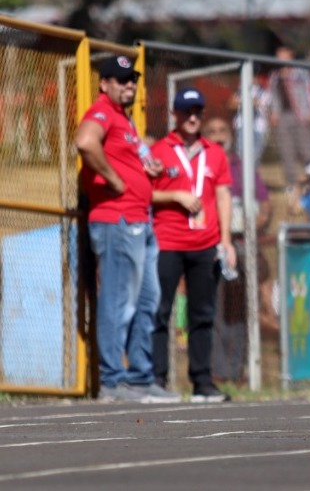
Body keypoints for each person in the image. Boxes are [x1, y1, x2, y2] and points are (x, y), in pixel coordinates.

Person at [75, 55, 179, 403]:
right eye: (121, 80)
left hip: (140, 219)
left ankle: (139, 376)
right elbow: (86, 142)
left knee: (148, 299)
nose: (129, 85)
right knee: (119, 301)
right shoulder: (102, 111)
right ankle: (112, 382)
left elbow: (121, 154)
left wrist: (143, 169)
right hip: (117, 220)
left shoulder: (125, 119)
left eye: (132, 79)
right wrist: (114, 178)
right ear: (104, 84)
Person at [149, 89, 236, 403]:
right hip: (168, 241)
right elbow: (144, 193)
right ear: (175, 114)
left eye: (197, 111)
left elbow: (224, 196)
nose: (193, 117)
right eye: (186, 111)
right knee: (160, 311)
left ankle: (201, 381)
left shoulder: (215, 153)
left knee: (203, 313)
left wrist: (226, 240)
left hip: (205, 242)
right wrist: (176, 196)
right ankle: (156, 378)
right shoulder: (159, 150)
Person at [201, 116, 273, 384]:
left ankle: (236, 369)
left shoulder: (243, 169)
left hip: (242, 245)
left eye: (222, 130)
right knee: (214, 309)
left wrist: (258, 219)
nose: (219, 136)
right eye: (212, 131)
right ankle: (216, 371)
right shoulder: (201, 164)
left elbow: (265, 206)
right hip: (211, 243)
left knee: (239, 311)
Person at [269, 45, 310, 211]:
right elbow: (273, 96)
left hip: (300, 115)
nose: (280, 58)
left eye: (283, 54)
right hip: (284, 117)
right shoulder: (275, 76)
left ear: (291, 54)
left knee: (307, 151)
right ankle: (291, 187)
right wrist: (274, 113)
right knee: (286, 151)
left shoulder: (300, 73)